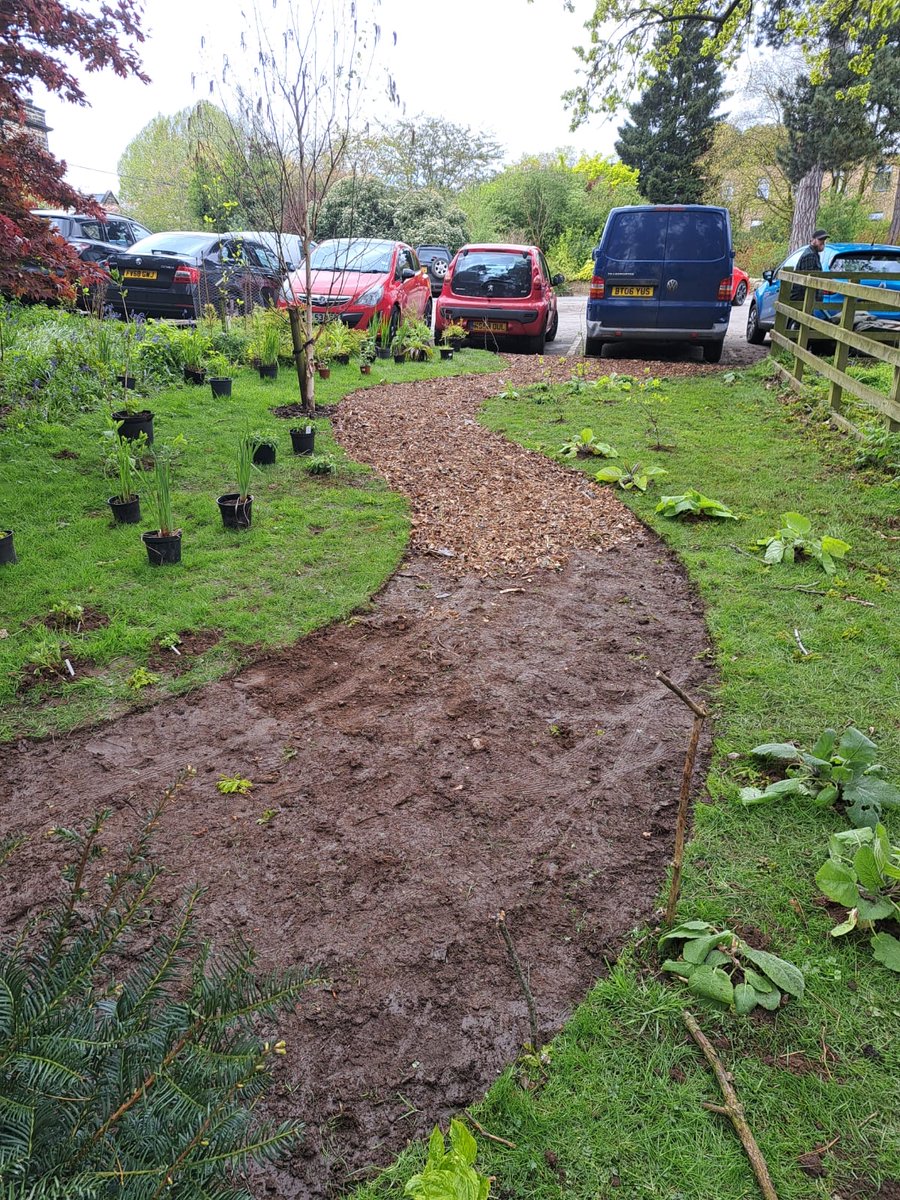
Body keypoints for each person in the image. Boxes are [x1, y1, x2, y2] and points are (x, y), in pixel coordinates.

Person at [790, 229, 828, 301]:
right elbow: (808, 281)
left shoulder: (814, 254)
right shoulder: (810, 255)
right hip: (802, 300)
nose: (823, 242)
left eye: (824, 240)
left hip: (806, 300)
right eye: (820, 239)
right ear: (813, 240)